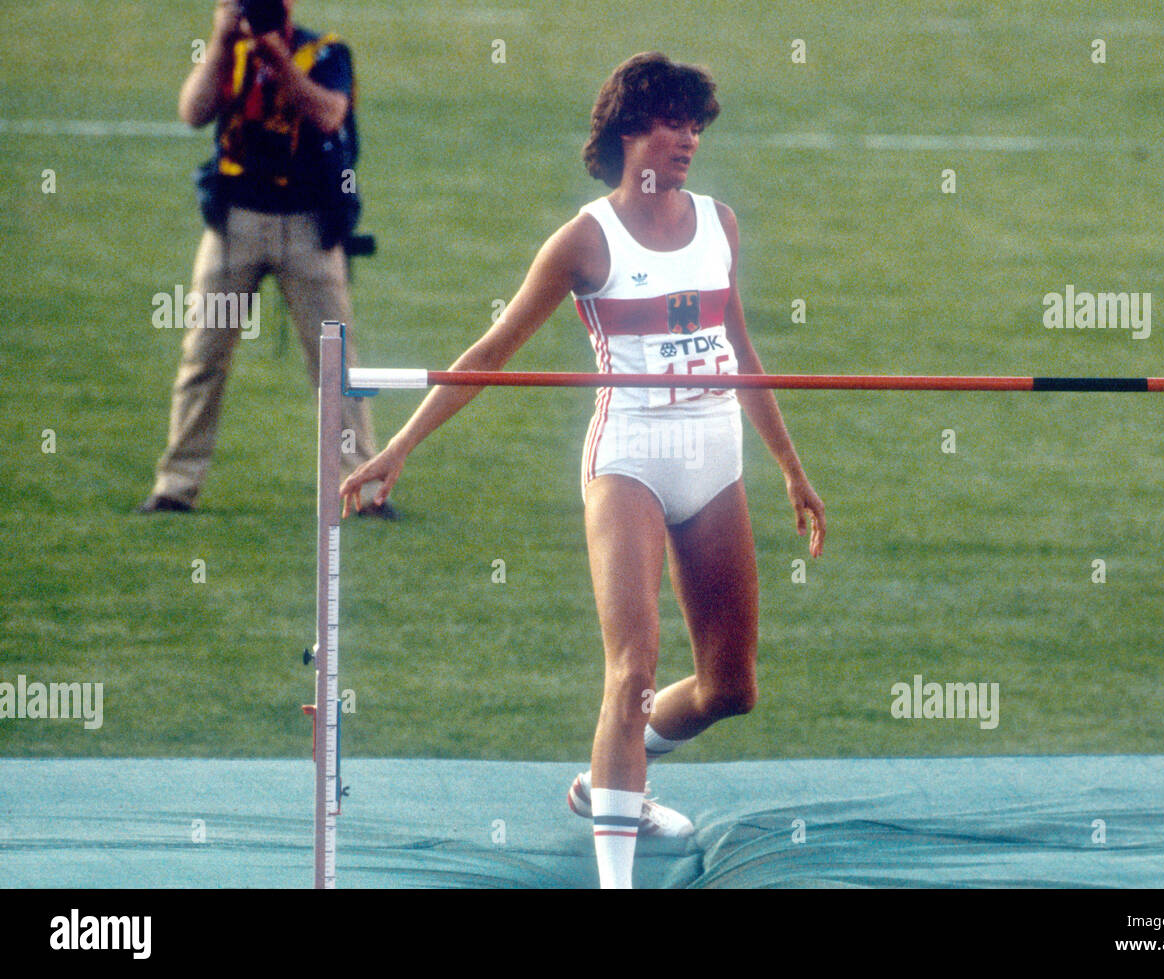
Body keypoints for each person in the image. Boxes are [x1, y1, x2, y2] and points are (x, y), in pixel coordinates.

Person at [340, 52, 826, 888]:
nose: (690, 140)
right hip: (629, 459)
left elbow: (740, 349)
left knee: (730, 688)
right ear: (631, 130)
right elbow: (490, 353)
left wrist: (790, 465)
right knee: (632, 668)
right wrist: (400, 445)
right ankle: (616, 875)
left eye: (698, 125)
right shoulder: (585, 241)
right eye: (676, 123)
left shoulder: (721, 223)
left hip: (715, 457)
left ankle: (602, 787)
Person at [139, 0, 392, 517]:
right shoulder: (228, 54)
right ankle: (175, 485)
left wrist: (277, 59)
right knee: (203, 357)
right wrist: (220, 41)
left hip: (309, 225)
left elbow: (329, 114)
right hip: (236, 223)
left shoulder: (324, 53)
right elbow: (193, 111)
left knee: (335, 362)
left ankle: (361, 487)